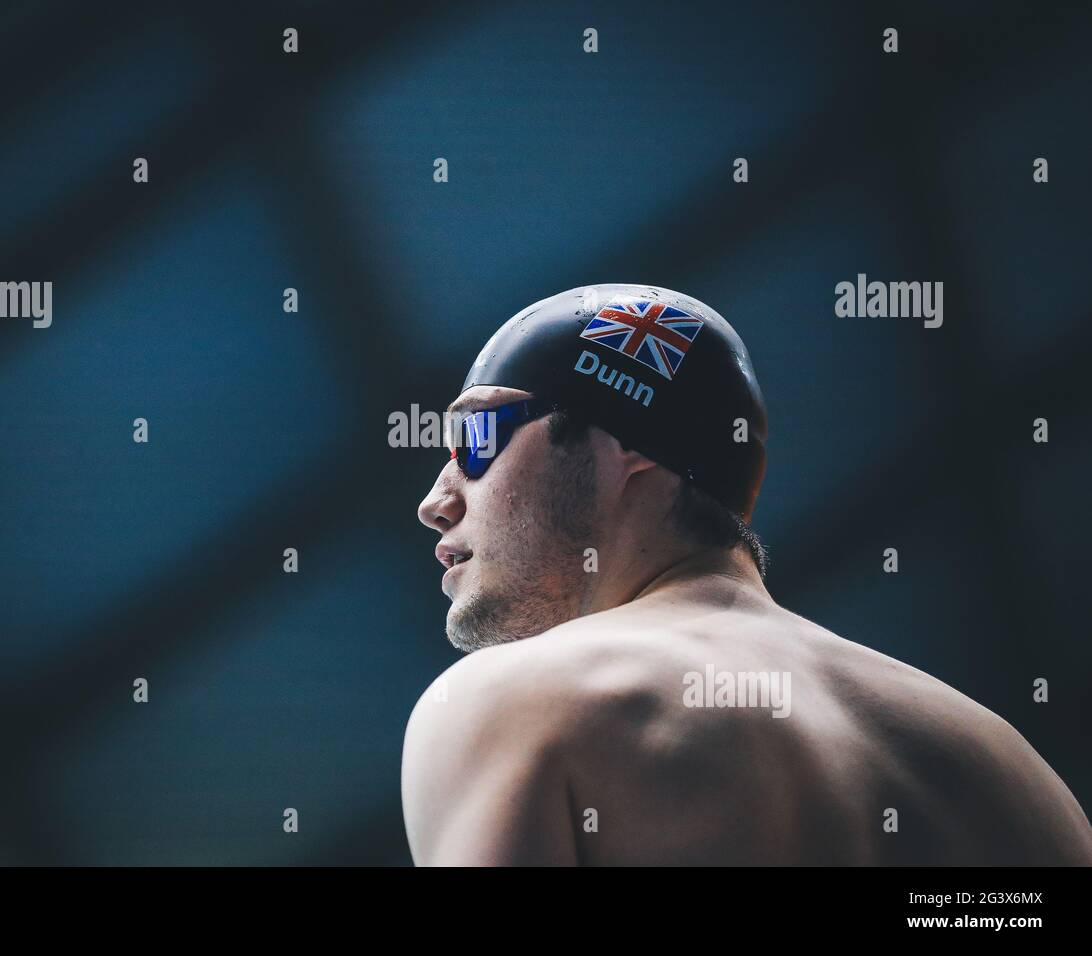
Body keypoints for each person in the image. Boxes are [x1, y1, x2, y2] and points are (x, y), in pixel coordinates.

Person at [403, 284, 1092, 865]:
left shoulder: (516, 704)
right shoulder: (1016, 772)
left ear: (627, 446)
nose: (435, 503)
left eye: (477, 438)